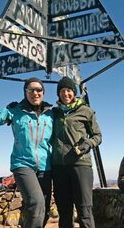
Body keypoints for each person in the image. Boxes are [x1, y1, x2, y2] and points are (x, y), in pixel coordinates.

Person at [0, 78, 53, 228]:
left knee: (43, 209)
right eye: (31, 90)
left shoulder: (51, 114)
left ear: (43, 93)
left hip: (46, 167)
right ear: (25, 93)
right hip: (23, 165)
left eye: (39, 90)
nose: (35, 93)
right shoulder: (14, 111)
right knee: (36, 203)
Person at [51, 76, 102, 228]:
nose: (65, 94)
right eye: (62, 91)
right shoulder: (54, 113)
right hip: (59, 167)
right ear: (58, 94)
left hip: (81, 165)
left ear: (73, 92)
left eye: (68, 90)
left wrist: (87, 144)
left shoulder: (85, 111)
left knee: (84, 210)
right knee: (64, 211)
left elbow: (98, 136)